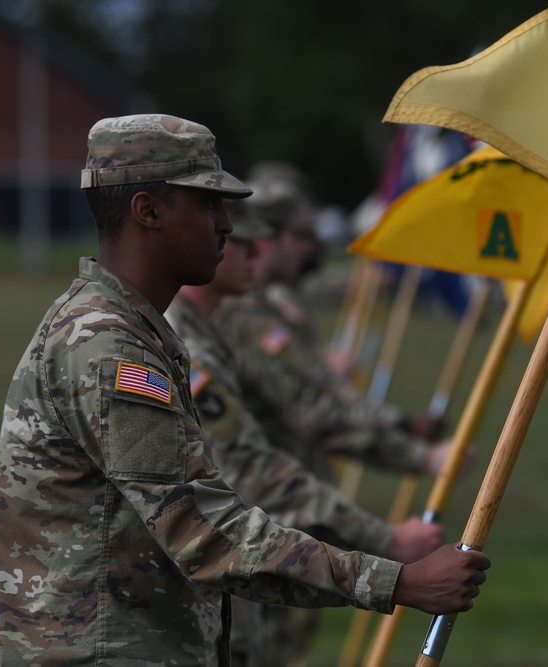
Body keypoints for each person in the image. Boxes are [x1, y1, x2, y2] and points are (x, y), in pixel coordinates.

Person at [0, 113, 490, 667]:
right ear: (147, 210)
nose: (227, 226)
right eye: (206, 204)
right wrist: (396, 581)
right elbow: (205, 532)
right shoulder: (105, 346)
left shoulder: (134, 329)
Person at [165, 203, 443, 665]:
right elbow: (253, 461)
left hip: (253, 551)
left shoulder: (216, 328)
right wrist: (384, 539)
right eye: (241, 243)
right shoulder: (190, 344)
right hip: (232, 557)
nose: (257, 255)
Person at [215, 172, 450, 483]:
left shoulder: (269, 303)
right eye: (300, 236)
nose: (310, 249)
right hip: (274, 504)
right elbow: (314, 407)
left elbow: (316, 384)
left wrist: (400, 424)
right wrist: (421, 455)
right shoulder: (243, 313)